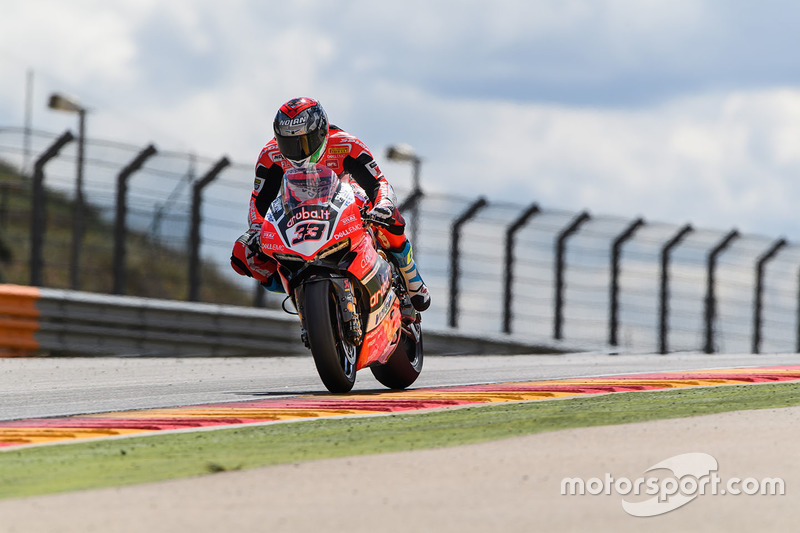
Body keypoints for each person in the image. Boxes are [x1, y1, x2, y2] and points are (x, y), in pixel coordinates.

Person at [231, 96, 430, 312]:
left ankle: (410, 275)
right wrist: (257, 230)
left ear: (321, 132)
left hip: (346, 198)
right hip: (297, 210)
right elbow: (258, 201)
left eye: (305, 141)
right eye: (289, 143)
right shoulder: (270, 155)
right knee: (243, 252)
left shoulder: (346, 143)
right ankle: (297, 287)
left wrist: (383, 204)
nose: (298, 151)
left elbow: (378, 182)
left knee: (385, 217)